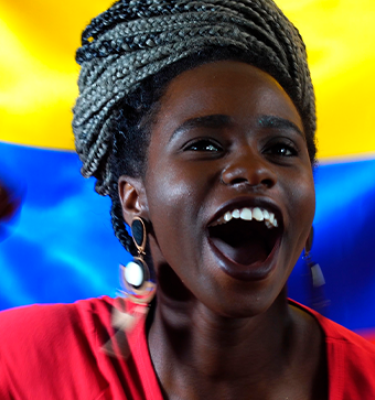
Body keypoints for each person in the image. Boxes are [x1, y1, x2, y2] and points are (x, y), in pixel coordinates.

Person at [1, 0, 375, 399]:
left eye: (282, 149)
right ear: (133, 198)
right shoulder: (23, 362)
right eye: (206, 144)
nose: (254, 169)